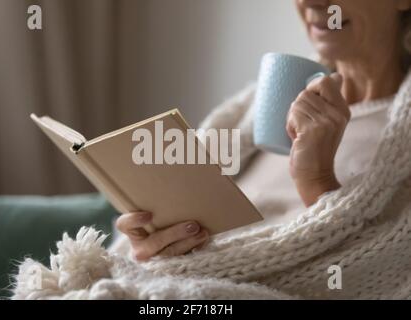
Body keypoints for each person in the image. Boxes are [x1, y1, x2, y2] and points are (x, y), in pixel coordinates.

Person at [112, 0, 411, 261]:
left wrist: (316, 180)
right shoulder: (261, 103)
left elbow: (375, 269)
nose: (310, 1)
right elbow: (148, 249)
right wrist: (149, 245)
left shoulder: (400, 139)